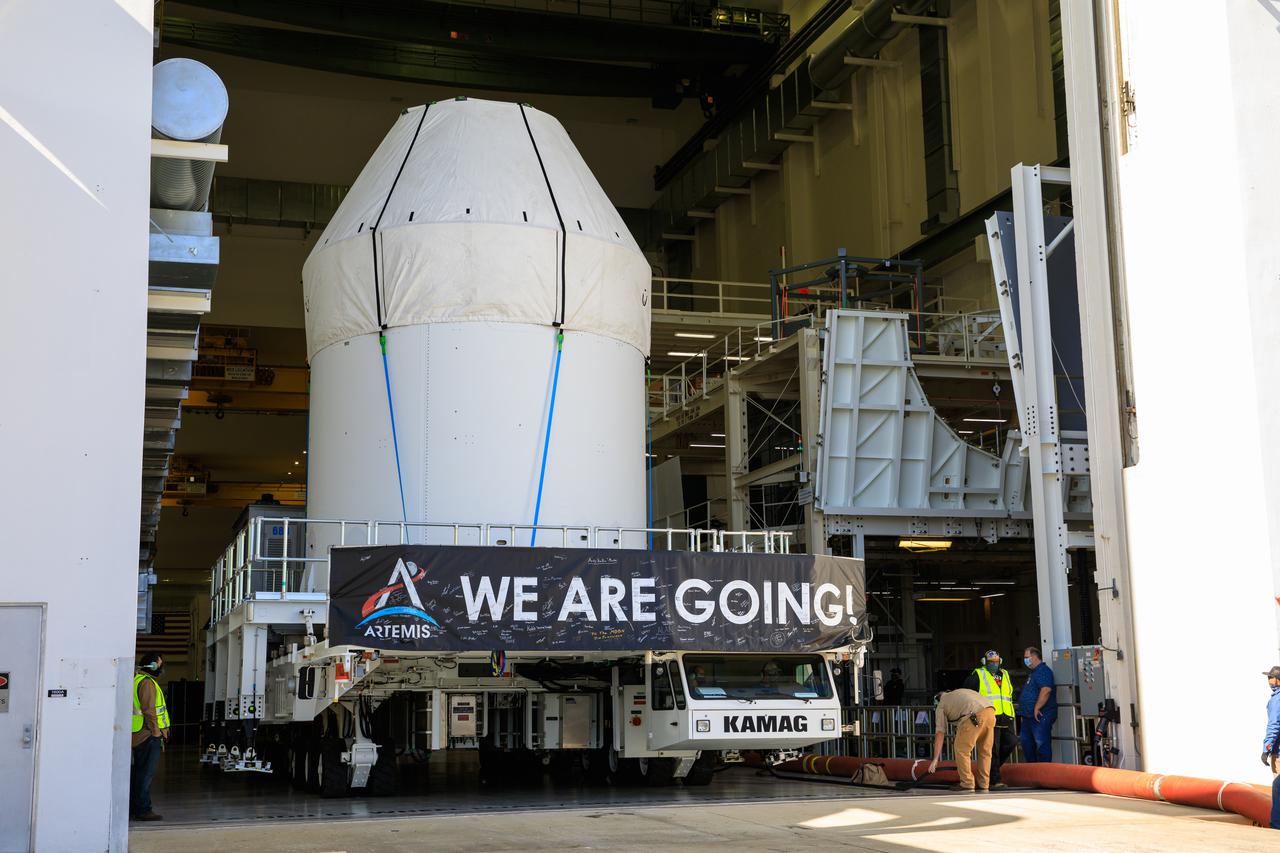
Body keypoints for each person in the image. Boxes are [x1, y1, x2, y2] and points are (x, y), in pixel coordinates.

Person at [927, 688, 996, 792]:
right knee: (985, 752)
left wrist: (935, 759)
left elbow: (940, 733)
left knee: (961, 750)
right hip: (991, 712)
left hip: (974, 716)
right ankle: (984, 783)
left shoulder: (941, 705)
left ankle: (967, 783)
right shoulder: (958, 693)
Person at [964, 650, 1015, 788]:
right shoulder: (978, 675)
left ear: (1000, 662)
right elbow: (968, 694)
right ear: (984, 662)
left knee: (1011, 743)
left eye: (996, 661)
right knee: (992, 750)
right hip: (989, 717)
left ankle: (992, 768)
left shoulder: (1004, 674)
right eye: (990, 662)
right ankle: (994, 780)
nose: (994, 664)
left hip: (1006, 716)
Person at [131, 652, 170, 821]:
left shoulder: (138, 680)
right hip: (146, 736)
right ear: (153, 666)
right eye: (160, 664)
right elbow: (150, 711)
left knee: (139, 773)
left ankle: (136, 807)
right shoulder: (147, 683)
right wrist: (156, 732)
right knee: (145, 775)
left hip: (139, 734)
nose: (161, 668)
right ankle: (143, 810)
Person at [1018, 647, 1056, 763]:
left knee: (1041, 745)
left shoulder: (1043, 671)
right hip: (1028, 716)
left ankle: (1044, 774)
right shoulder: (1033, 673)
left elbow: (1046, 690)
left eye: (1026, 658)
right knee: (1027, 744)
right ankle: (1033, 773)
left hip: (1039, 716)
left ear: (1034, 657)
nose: (1025, 661)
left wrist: (1037, 707)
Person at [1260, 665, 1280, 829]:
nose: (1268, 681)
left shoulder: (1277, 699)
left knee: (1278, 788)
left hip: (1279, 753)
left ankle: (1276, 825)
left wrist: (1266, 749)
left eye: (1270, 677)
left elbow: (1274, 725)